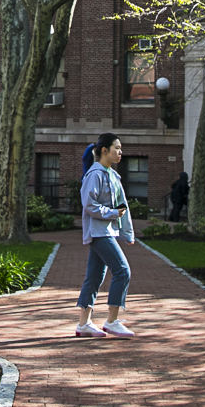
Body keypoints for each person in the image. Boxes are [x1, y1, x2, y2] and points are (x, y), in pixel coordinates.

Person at [75, 132, 137, 338]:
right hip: (99, 232)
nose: (121, 152)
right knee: (122, 270)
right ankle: (112, 321)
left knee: (94, 276)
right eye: (117, 148)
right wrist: (111, 213)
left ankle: (84, 324)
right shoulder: (95, 175)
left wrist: (127, 233)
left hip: (107, 231)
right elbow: (89, 205)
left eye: (120, 148)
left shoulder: (112, 175)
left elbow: (123, 206)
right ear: (104, 151)